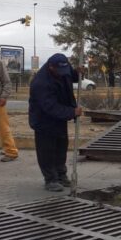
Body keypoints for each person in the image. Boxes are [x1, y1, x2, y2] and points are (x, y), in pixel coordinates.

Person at [29, 53, 82, 192]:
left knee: (61, 148)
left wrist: (78, 72)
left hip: (59, 118)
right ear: (50, 67)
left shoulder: (63, 66)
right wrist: (72, 112)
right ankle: (50, 179)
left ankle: (61, 175)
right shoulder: (40, 83)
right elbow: (50, 107)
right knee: (47, 151)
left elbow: (72, 76)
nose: (62, 74)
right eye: (59, 72)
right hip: (43, 120)